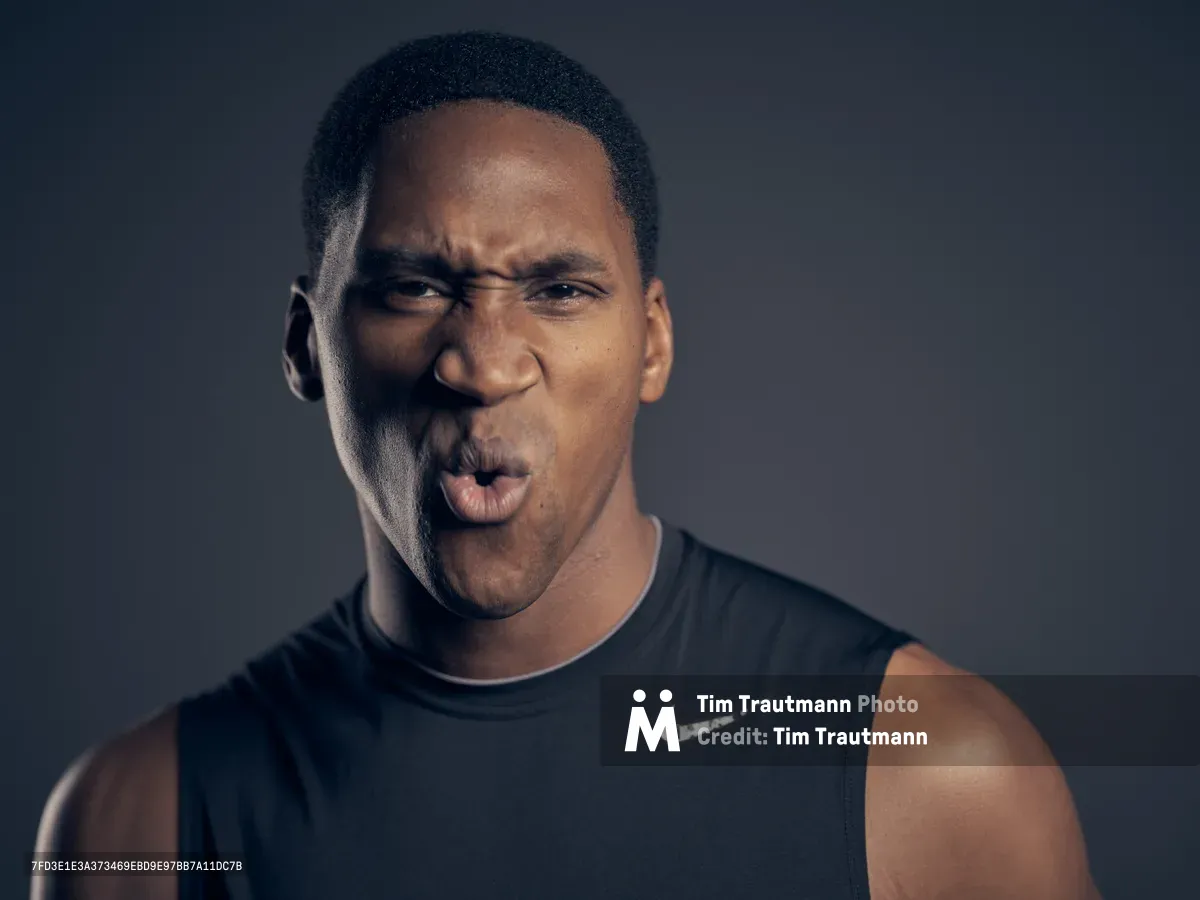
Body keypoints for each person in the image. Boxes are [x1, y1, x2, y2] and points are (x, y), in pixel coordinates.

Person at [32, 31, 1100, 900]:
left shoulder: (933, 768)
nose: (484, 361)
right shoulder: (140, 825)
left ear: (652, 343)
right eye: (411, 286)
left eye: (559, 290)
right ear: (308, 346)